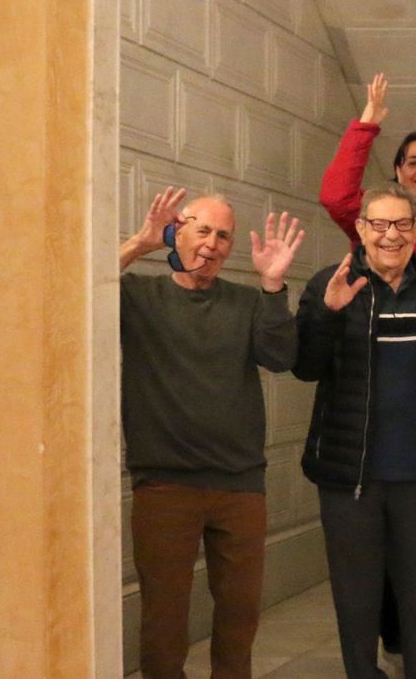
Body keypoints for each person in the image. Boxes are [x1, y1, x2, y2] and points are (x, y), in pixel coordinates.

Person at [293, 186, 416, 679]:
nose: (391, 235)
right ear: (361, 229)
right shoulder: (333, 282)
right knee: (357, 602)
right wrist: (328, 311)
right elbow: (306, 366)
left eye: (402, 224)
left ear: (415, 230)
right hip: (350, 477)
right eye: (379, 224)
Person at [119, 188, 303, 679]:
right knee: (164, 621)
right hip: (165, 485)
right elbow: (75, 288)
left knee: (239, 618)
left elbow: (281, 357)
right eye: (203, 230)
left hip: (240, 485)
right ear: (178, 231)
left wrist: (273, 285)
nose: (213, 244)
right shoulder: (139, 294)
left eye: (223, 236)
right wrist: (139, 242)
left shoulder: (246, 302)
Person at [320, 73, 416, 262]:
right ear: (398, 172)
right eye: (413, 163)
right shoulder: (379, 215)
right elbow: (336, 197)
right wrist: (365, 127)